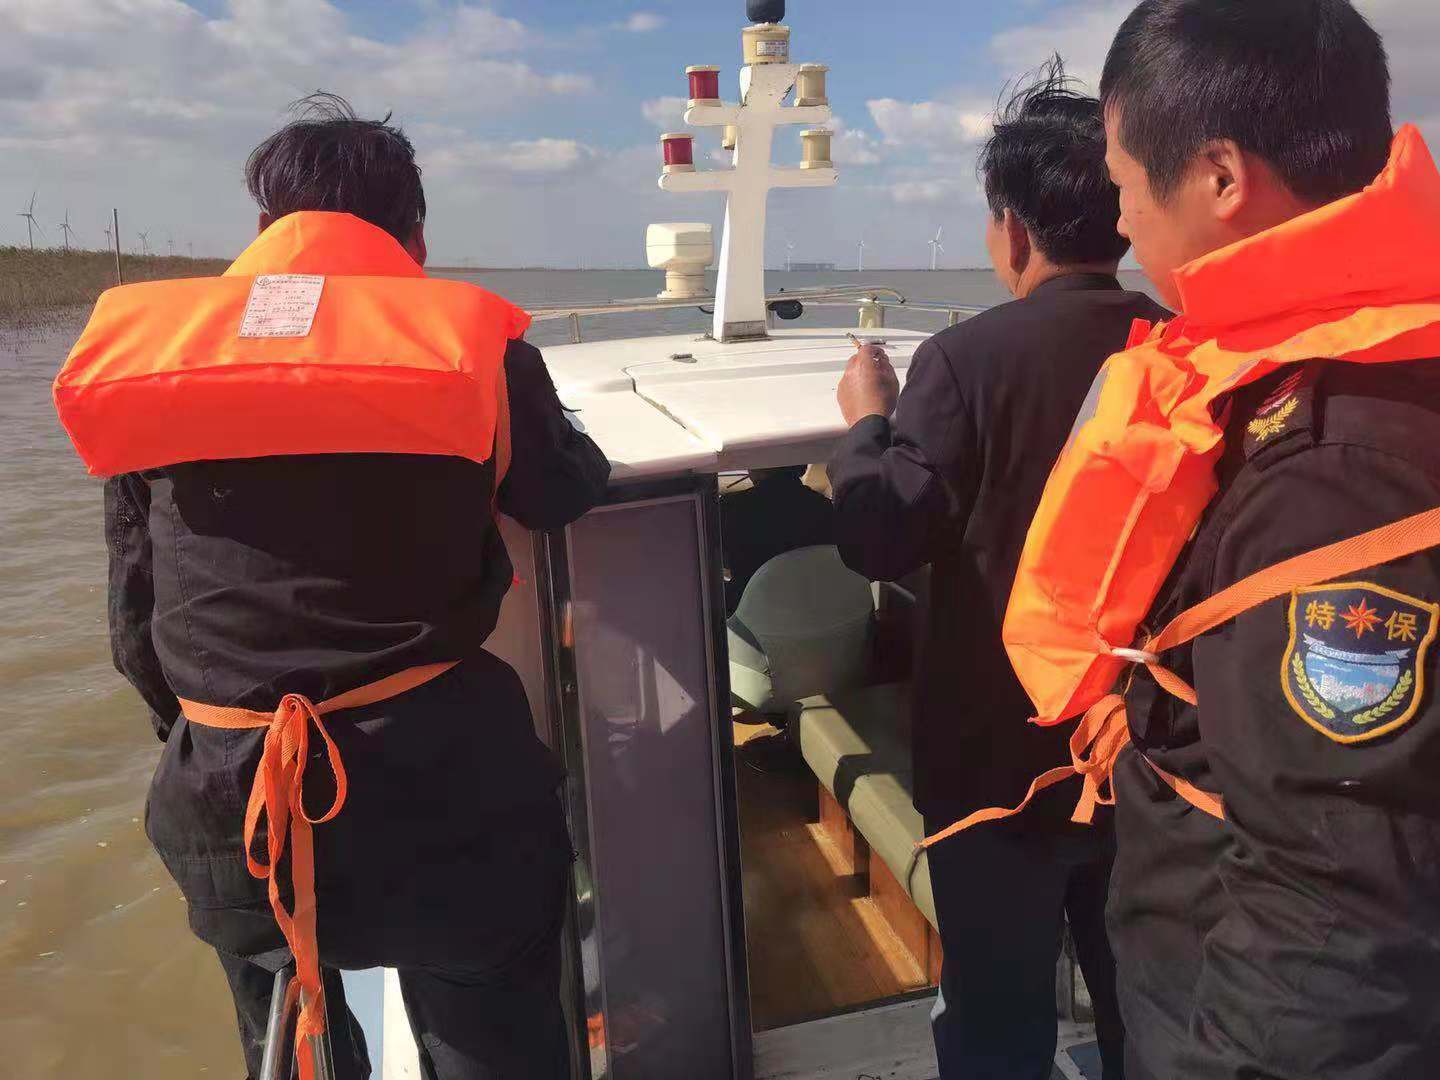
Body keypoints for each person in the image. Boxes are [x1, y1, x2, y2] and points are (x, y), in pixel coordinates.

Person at [79, 95, 610, 1079]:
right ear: (415, 239)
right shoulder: (479, 353)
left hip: (233, 806)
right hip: (448, 796)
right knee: (494, 1029)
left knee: (291, 1043)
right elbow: (563, 489)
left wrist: (213, 743)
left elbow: (134, 625)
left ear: (263, 230)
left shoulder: (159, 372)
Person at [998, 3, 1440, 1077]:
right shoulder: (1345, 371)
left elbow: (1336, 924)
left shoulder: (1339, 473)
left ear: (1222, 177)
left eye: (1123, 182)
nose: (1121, 219)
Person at [828, 61, 1166, 1079]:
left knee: (995, 1022)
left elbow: (880, 537)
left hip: (995, 771)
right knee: (1148, 1014)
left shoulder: (964, 362)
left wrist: (867, 423)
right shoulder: (1179, 347)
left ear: (1012, 232)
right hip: (1145, 756)